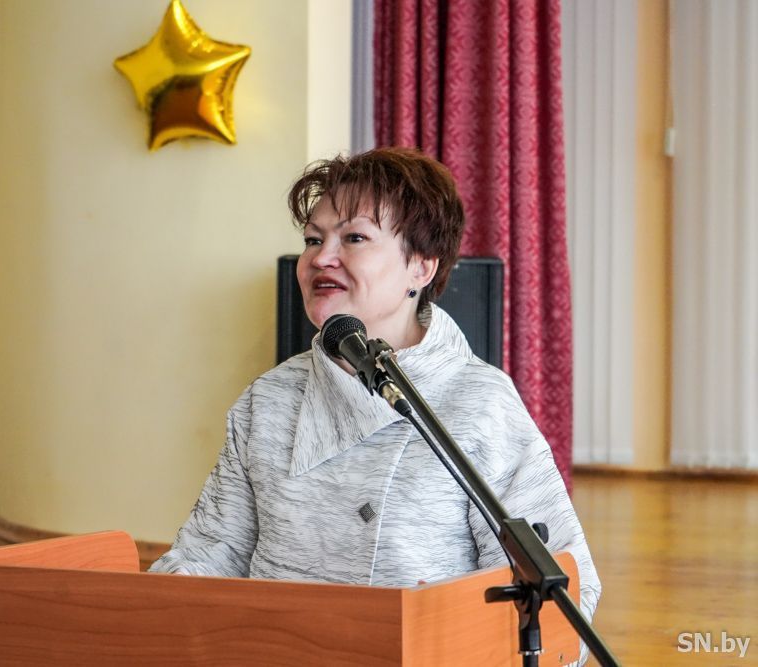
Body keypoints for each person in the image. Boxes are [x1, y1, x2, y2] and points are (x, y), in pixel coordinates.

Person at [149, 147, 601, 657]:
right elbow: (208, 555)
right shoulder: (270, 399)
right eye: (313, 239)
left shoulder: (480, 401)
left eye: (354, 238)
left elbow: (565, 591)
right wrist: (151, 624)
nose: (321, 257)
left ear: (421, 267)